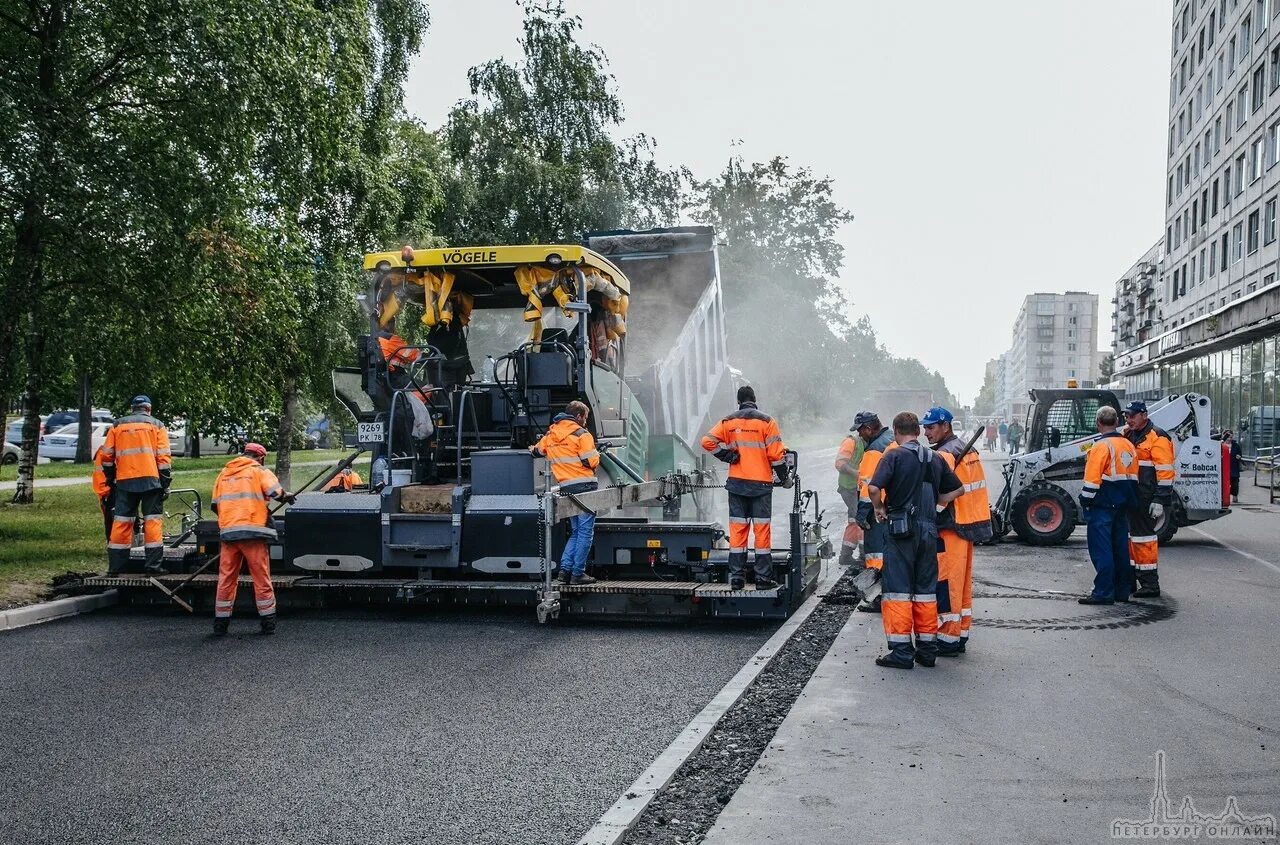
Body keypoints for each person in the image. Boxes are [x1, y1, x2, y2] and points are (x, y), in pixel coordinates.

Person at [867, 412, 963, 669]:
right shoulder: (934, 457)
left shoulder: (894, 456)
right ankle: (927, 650)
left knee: (898, 590)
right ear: (918, 432)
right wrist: (937, 505)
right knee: (925, 592)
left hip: (901, 532)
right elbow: (957, 489)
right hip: (929, 531)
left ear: (897, 431)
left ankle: (901, 652)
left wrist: (879, 509)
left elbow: (874, 488)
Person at [701, 385, 788, 591]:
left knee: (738, 533)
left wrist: (727, 456)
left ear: (738, 401)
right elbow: (776, 456)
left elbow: (706, 441)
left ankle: (737, 579)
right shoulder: (767, 422)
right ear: (754, 399)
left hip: (737, 485)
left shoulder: (728, 422)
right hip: (761, 486)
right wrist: (784, 478)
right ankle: (763, 579)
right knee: (761, 532)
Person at [922, 406, 993, 655]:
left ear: (945, 426)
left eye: (930, 427)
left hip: (950, 528)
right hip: (968, 525)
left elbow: (941, 496)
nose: (926, 432)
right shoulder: (966, 449)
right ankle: (961, 633)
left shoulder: (944, 454)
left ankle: (947, 638)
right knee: (961, 585)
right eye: (924, 428)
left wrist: (932, 513)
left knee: (947, 585)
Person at [211, 443, 295, 635]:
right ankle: (268, 622)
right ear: (261, 457)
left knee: (226, 579)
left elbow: (215, 505)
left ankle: (220, 624)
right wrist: (287, 496)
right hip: (253, 534)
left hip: (229, 534)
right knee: (261, 577)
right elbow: (276, 493)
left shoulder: (223, 474)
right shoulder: (259, 471)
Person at [532, 400, 602, 586]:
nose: (586, 421)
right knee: (585, 532)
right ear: (578, 416)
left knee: (576, 531)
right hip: (585, 487)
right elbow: (591, 462)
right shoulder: (582, 434)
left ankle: (564, 572)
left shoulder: (551, 434)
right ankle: (577, 573)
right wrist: (597, 453)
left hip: (566, 488)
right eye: (585, 417)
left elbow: (537, 450)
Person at [100, 395, 171, 575]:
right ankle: (153, 567)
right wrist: (165, 483)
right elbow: (163, 458)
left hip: (124, 481)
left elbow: (106, 456)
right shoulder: (157, 425)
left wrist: (111, 478)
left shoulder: (117, 426)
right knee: (152, 522)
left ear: (133, 408)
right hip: (151, 482)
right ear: (149, 409)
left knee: (122, 523)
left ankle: (116, 568)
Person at [1078, 406, 1139, 605]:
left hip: (1103, 503)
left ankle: (1103, 592)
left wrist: (1085, 501)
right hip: (1124, 502)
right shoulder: (1128, 445)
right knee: (1120, 548)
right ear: (1117, 422)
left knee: (1101, 549)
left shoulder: (1100, 446)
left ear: (1098, 423)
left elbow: (1092, 480)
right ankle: (1122, 590)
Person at [1122, 400, 1176, 598]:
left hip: (1147, 498)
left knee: (1143, 539)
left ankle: (1150, 584)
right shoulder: (1128, 433)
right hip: (1132, 496)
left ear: (1144, 415)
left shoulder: (1158, 437)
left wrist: (1160, 500)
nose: (1129, 419)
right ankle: (1132, 581)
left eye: (1132, 416)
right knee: (1131, 539)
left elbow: (1166, 472)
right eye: (1127, 416)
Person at [854, 411, 896, 612]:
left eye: (861, 430)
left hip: (876, 508)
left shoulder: (874, 449)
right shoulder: (891, 440)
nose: (860, 435)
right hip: (891, 505)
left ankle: (878, 597)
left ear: (869, 428)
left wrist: (862, 511)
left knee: (875, 553)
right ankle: (889, 592)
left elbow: (868, 485)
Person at [833, 421, 866, 569]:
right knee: (861, 519)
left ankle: (845, 555)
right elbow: (840, 463)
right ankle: (865, 555)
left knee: (854, 520)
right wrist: (857, 474)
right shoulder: (850, 442)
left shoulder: (868, 444)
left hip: (857, 488)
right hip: (849, 487)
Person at [91, 444, 114, 541]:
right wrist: (105, 493)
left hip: (110, 490)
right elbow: (100, 475)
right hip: (108, 491)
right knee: (111, 520)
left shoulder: (105, 451)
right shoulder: (104, 453)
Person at [1223, 429, 1242, 504]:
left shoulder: (1236, 445)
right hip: (1224, 468)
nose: (1229, 438)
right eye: (1227, 436)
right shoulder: (1220, 444)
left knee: (1235, 483)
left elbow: (1240, 454)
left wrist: (1239, 456)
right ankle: (1224, 498)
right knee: (1224, 484)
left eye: (1231, 437)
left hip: (1234, 467)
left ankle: (1235, 497)